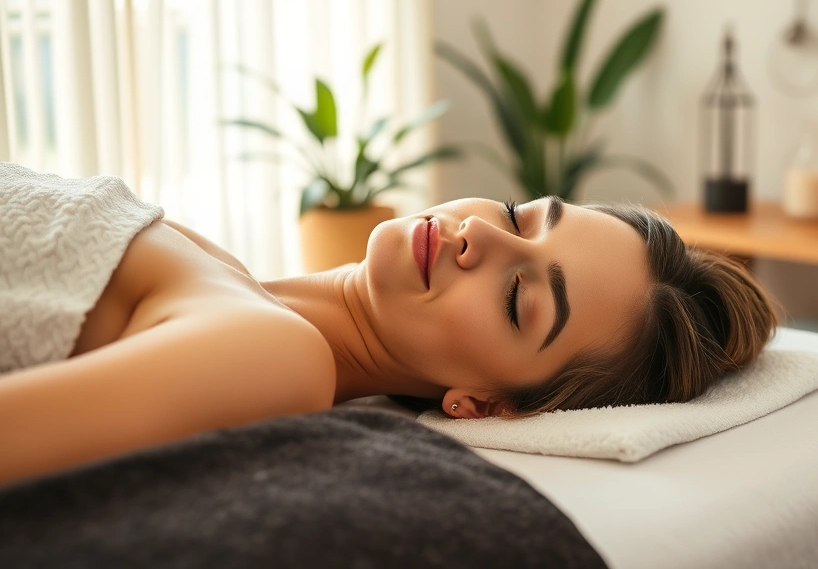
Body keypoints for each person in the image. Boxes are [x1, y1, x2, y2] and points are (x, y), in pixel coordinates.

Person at [0, 162, 777, 487]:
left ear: (481, 403)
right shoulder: (230, 277)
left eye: (519, 300)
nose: (485, 237)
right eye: (519, 215)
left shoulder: (279, 354)